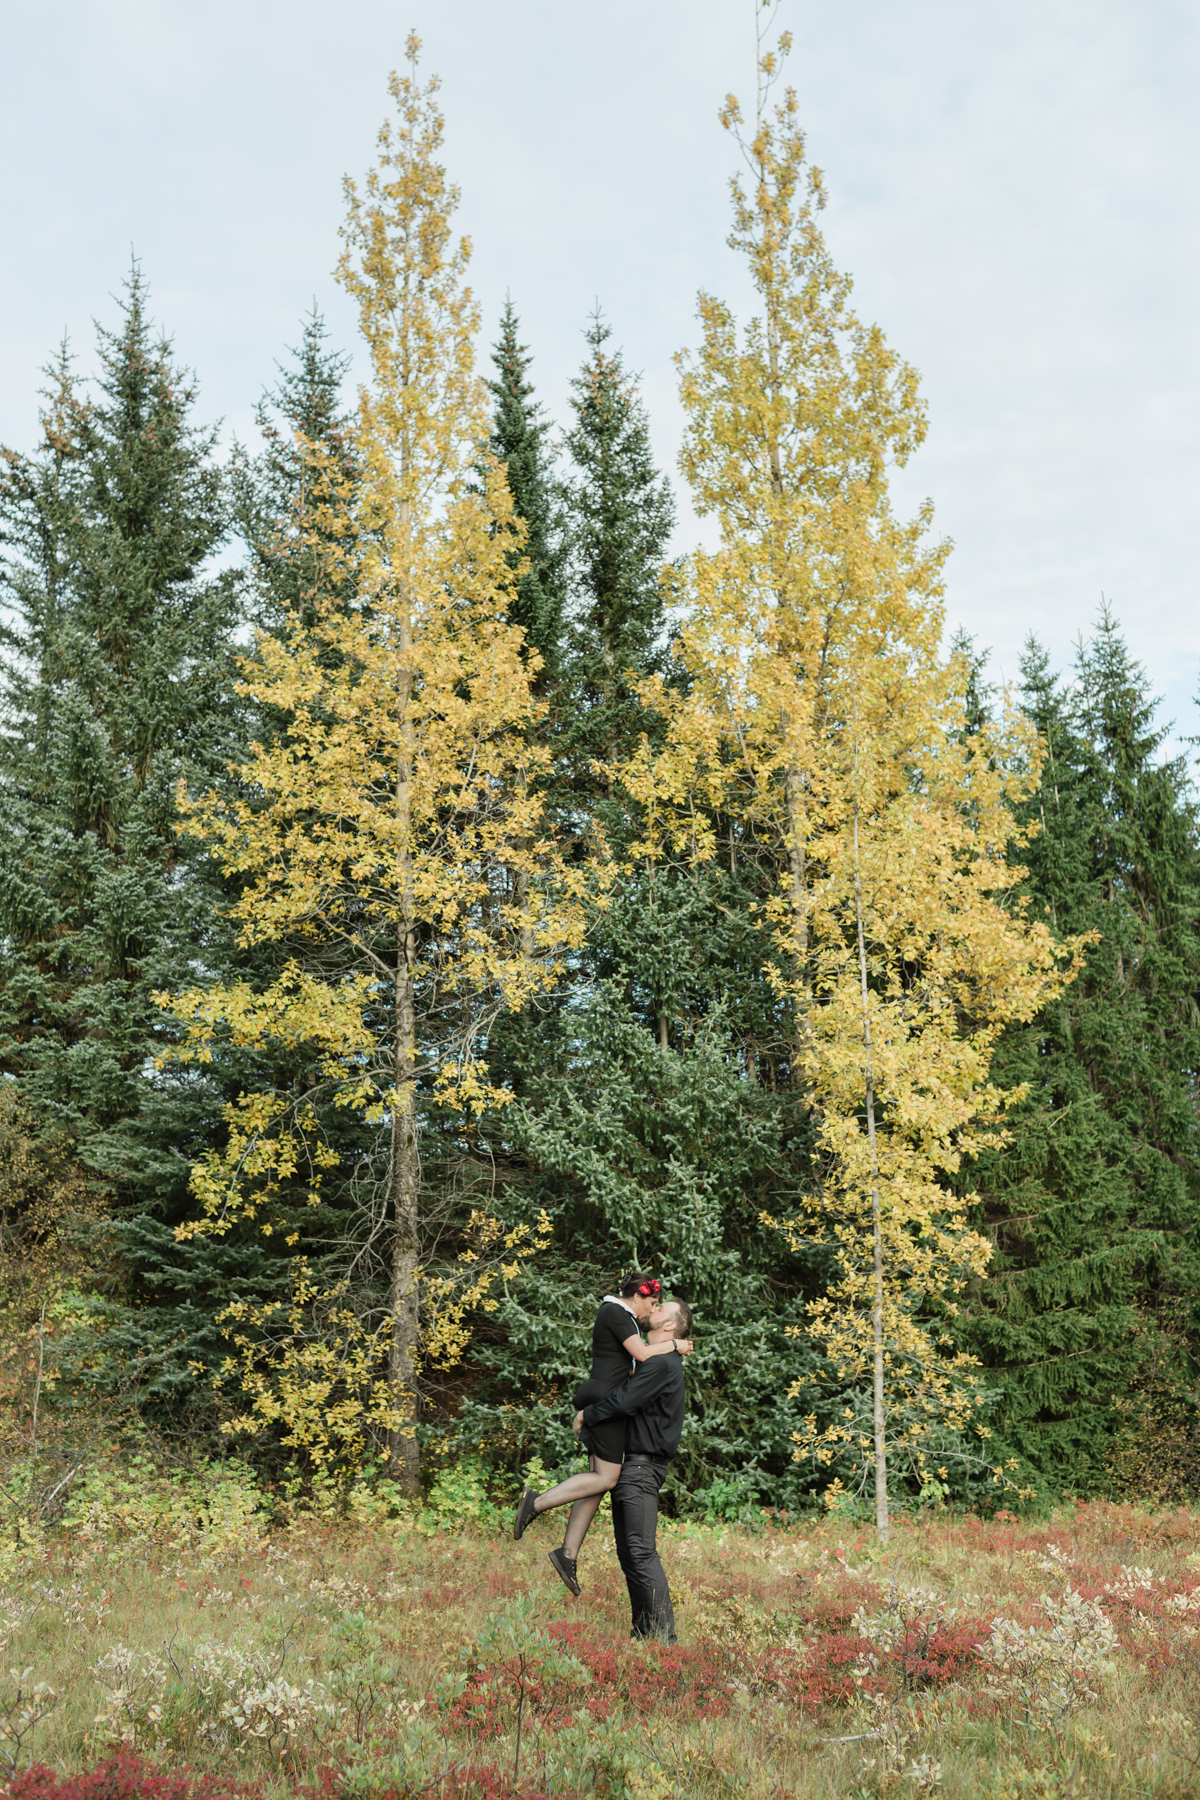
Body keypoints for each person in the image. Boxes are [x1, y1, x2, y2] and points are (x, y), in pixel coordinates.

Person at [512, 1272, 691, 1595]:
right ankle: (535, 1503)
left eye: (658, 1306)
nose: (652, 1308)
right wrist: (676, 1345)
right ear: (637, 1296)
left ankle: (567, 1554)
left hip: (604, 1399)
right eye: (652, 1302)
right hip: (604, 1398)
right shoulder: (615, 1312)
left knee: (599, 1477)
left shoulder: (626, 1318)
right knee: (607, 1477)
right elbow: (641, 1355)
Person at [575, 1295, 691, 1644]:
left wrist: (587, 1415)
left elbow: (625, 1401)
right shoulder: (653, 1360)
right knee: (630, 1554)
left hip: (641, 1469)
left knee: (640, 1552)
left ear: (670, 1325)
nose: (653, 1309)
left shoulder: (661, 1363)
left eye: (661, 1309)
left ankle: (664, 1640)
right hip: (633, 1469)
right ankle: (644, 1634)